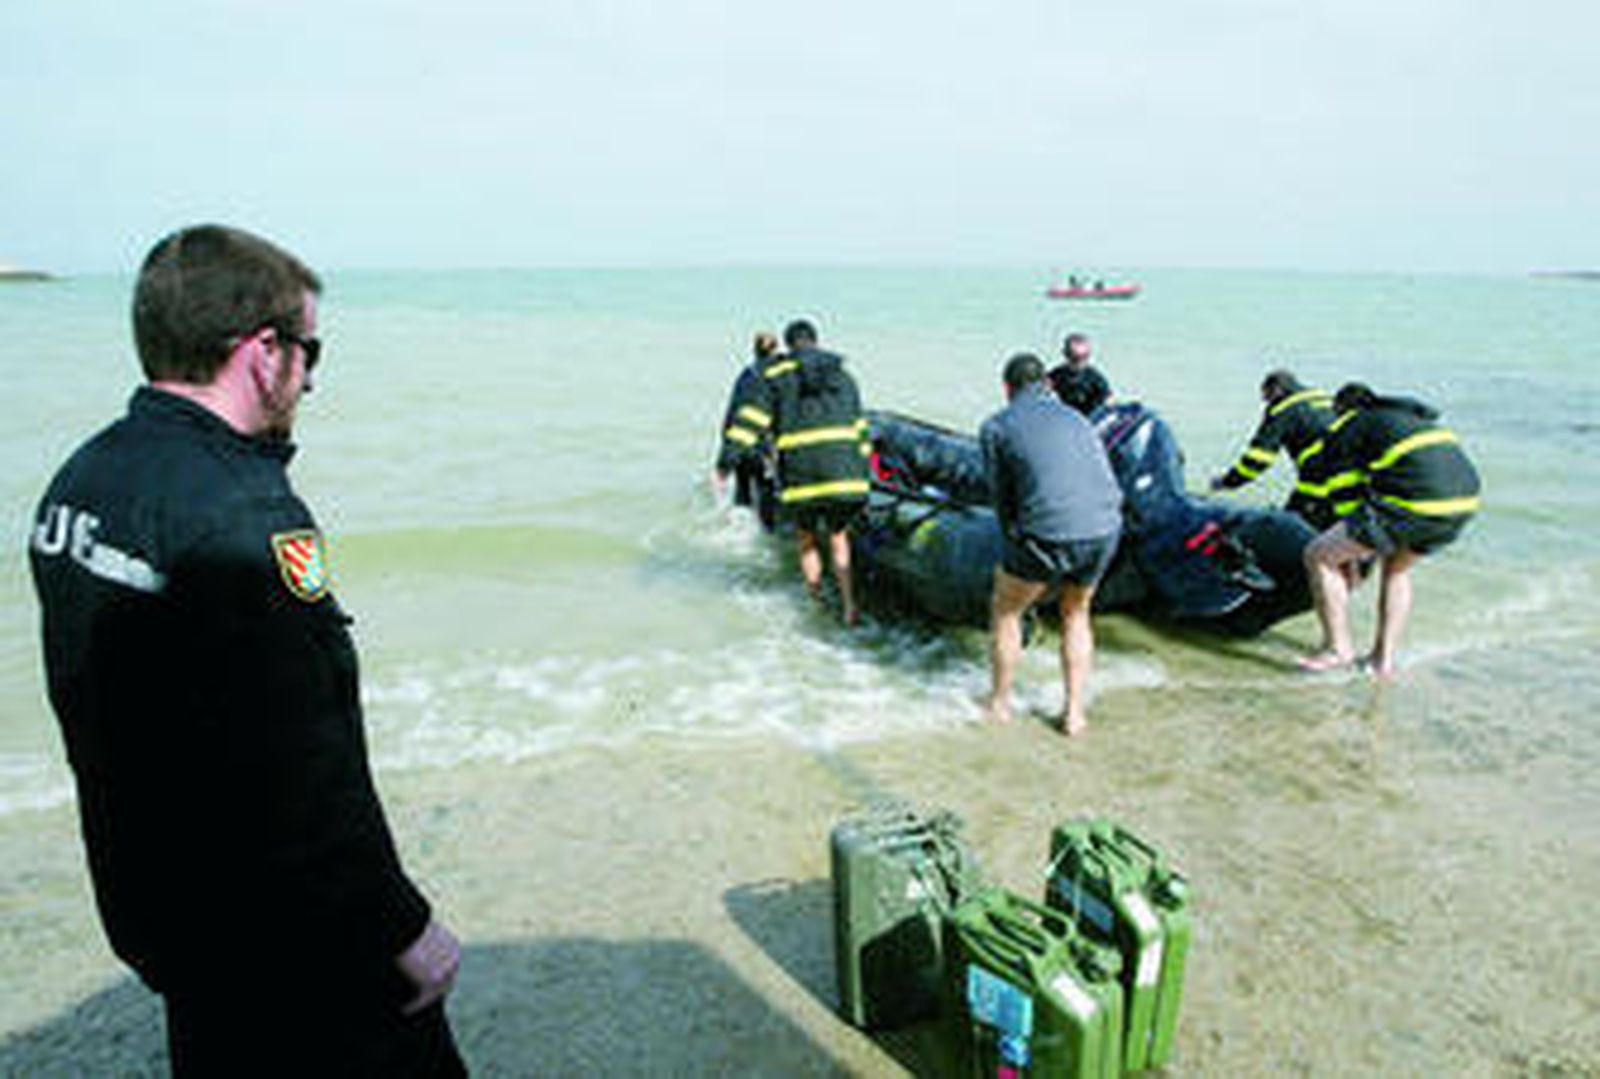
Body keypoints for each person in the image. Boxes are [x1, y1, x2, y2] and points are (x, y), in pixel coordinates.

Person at [28, 225, 465, 1075]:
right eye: (311, 351)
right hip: (298, 944)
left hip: (172, 924)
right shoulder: (244, 518)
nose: (308, 378)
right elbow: (305, 760)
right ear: (265, 352)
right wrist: (401, 926)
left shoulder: (80, 483)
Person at [1297, 382, 1481, 678]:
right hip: (1462, 503)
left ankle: (1338, 649)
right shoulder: (1410, 419)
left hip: (1417, 502)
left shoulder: (1348, 427)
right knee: (1397, 569)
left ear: (1341, 410)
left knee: (1318, 555)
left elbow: (1344, 495)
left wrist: (1353, 554)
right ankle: (1383, 661)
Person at [980, 353, 1123, 735]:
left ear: (1007, 388)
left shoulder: (997, 425)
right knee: (1076, 612)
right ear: (1047, 384)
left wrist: (1014, 543)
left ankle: (999, 704)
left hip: (1049, 531)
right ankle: (1074, 713)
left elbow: (1001, 498)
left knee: (1006, 608)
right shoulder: (1077, 417)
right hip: (1105, 526)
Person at [747, 319, 871, 624]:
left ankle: (815, 602)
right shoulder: (844, 376)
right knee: (839, 537)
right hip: (844, 476)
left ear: (789, 345)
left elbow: (754, 419)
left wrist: (728, 458)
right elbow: (860, 429)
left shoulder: (778, 378)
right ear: (816, 340)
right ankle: (849, 606)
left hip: (801, 479)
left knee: (806, 540)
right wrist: (863, 468)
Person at [1210, 369, 1339, 528]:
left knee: (1292, 530)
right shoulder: (1323, 397)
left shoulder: (1283, 410)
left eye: (1267, 398)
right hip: (1352, 479)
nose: (1267, 403)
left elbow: (1258, 459)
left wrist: (1227, 482)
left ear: (1277, 391)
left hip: (1318, 483)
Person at [712, 330, 780, 527]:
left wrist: (726, 453)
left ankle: (740, 530)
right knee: (765, 489)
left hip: (739, 441)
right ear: (776, 350)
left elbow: (733, 411)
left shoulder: (746, 374)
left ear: (755, 351)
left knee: (743, 492)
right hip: (762, 444)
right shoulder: (779, 375)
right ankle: (768, 529)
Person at [1046, 332, 1113, 416]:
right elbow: (1043, 388)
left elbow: (1108, 398)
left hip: (1089, 418)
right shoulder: (1058, 375)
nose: (1079, 363)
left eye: (1083, 357)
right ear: (1065, 355)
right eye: (1074, 358)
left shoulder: (1094, 377)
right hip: (1064, 416)